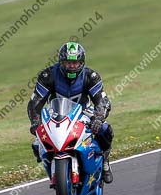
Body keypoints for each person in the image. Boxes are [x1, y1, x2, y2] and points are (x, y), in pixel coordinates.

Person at [27, 42, 114, 183]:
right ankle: (53, 168)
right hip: (56, 114)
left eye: (76, 63)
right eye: (68, 63)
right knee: (37, 144)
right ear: (61, 62)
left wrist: (98, 118)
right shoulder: (48, 75)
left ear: (82, 62)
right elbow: (34, 103)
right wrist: (35, 122)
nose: (72, 66)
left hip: (84, 112)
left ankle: (105, 162)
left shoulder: (90, 76)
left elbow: (102, 101)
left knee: (105, 130)